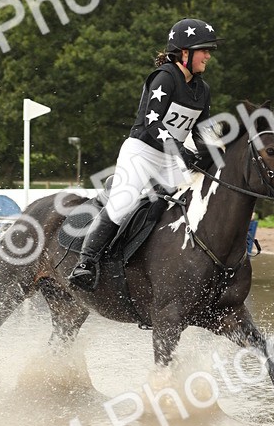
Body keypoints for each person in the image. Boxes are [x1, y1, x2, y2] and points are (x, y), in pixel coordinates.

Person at [69, 18, 220, 289]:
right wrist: (180, 151)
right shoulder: (165, 77)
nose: (208, 55)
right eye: (204, 50)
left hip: (172, 157)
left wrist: (214, 157)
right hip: (142, 152)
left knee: (188, 204)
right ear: (184, 52)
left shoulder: (202, 89)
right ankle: (86, 263)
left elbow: (200, 132)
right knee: (123, 204)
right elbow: (152, 123)